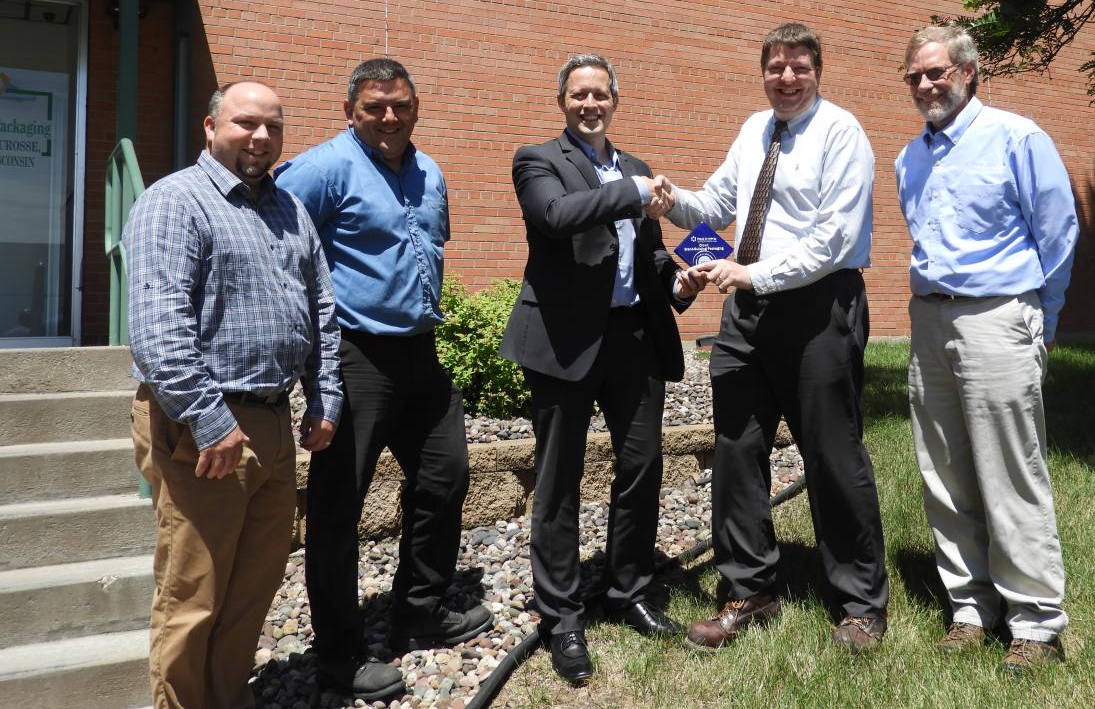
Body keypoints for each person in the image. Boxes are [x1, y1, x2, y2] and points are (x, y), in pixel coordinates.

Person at [661, 23, 890, 653]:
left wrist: (749, 271)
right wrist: (669, 199)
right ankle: (748, 588)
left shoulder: (841, 133)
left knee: (831, 454)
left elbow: (833, 239)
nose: (786, 78)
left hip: (818, 310)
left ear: (819, 71)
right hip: (747, 314)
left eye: (798, 67)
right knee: (737, 451)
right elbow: (717, 204)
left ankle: (859, 603)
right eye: (775, 68)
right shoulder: (753, 130)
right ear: (762, 72)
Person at [275, 58, 490, 701]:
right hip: (355, 355)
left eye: (400, 104)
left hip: (420, 353)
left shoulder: (430, 173)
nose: (389, 116)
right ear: (351, 111)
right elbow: (281, 250)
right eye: (375, 107)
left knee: (446, 476)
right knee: (339, 508)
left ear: (416, 106)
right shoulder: (319, 169)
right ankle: (339, 655)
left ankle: (419, 610)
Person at [126, 82, 343, 709]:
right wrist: (208, 419)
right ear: (210, 126)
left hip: (273, 425)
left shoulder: (289, 209)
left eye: (273, 127)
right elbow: (159, 328)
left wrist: (324, 399)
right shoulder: (176, 203)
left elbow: (321, 311)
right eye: (246, 123)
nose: (261, 137)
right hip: (202, 427)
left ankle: (229, 698)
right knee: (194, 592)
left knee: (253, 585)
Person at [499, 54, 703, 683]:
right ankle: (561, 617)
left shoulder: (637, 168)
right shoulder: (538, 160)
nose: (590, 105)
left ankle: (629, 588)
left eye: (600, 95)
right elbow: (556, 218)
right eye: (578, 95)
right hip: (564, 341)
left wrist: (682, 281)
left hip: (633, 338)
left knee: (642, 465)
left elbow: (653, 254)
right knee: (558, 480)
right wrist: (635, 194)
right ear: (563, 101)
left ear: (617, 99)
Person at [894, 24, 1078, 673]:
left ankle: (1035, 622)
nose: (924, 85)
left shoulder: (1017, 138)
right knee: (943, 471)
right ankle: (971, 608)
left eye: (936, 72)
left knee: (1011, 471)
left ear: (969, 71)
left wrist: (1042, 315)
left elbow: (1058, 232)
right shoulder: (908, 160)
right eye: (914, 76)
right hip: (930, 321)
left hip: (1000, 316)